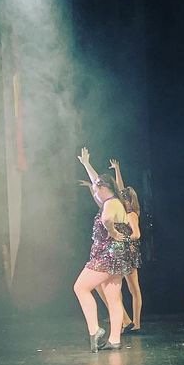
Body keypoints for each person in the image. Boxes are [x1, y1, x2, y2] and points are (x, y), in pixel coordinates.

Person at [72, 148, 134, 352]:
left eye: (97, 187)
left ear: (104, 187)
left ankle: (95, 329)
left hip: (107, 254)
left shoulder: (111, 203)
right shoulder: (114, 201)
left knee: (80, 287)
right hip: (117, 254)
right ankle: (115, 339)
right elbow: (98, 181)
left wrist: (112, 231)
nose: (94, 189)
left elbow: (107, 220)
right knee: (113, 296)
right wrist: (87, 165)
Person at [110, 159, 143, 332]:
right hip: (123, 252)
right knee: (117, 288)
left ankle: (134, 322)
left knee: (133, 289)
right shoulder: (123, 211)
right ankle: (125, 320)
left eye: (124, 198)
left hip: (129, 254)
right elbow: (119, 188)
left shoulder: (131, 214)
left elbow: (137, 234)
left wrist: (124, 239)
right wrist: (117, 169)